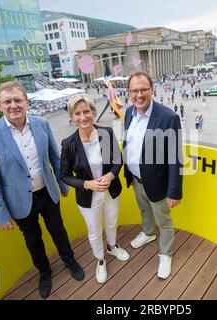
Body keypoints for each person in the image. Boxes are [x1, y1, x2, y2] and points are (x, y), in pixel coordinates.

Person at [0, 80, 84, 298]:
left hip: (48, 191)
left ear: (26, 102)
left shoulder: (41, 123)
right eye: (8, 101)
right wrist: (0, 214)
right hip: (18, 201)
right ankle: (44, 273)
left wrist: (63, 184)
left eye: (18, 100)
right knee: (33, 240)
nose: (13, 105)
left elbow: (55, 156)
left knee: (58, 230)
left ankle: (69, 260)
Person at [60, 94, 129, 284]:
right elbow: (64, 176)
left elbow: (118, 161)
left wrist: (110, 175)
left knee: (111, 222)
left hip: (111, 190)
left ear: (93, 112)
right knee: (94, 231)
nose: (83, 117)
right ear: (72, 117)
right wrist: (87, 184)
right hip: (88, 196)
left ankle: (112, 246)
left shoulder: (106, 133)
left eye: (86, 112)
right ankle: (100, 259)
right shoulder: (69, 144)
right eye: (77, 113)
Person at [123, 71, 183, 280]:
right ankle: (148, 233)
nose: (139, 94)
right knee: (144, 210)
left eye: (143, 90)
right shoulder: (129, 113)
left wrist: (174, 191)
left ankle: (166, 253)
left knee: (164, 220)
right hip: (136, 178)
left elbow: (175, 158)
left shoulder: (168, 117)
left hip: (158, 183)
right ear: (129, 93)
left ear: (151, 90)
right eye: (134, 90)